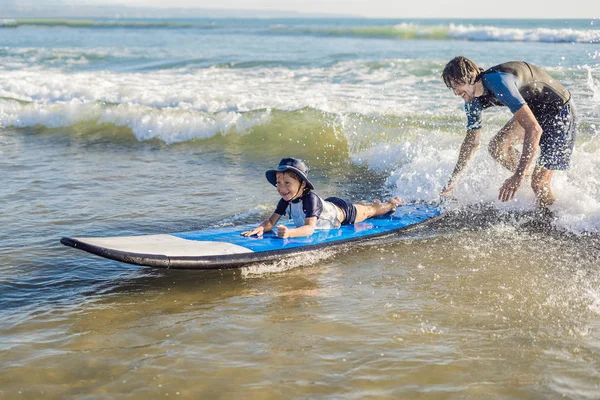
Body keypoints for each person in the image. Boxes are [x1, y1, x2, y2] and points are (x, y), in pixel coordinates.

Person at [440, 56, 577, 209]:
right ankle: (532, 185)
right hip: (534, 110)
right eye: (452, 87)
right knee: (498, 146)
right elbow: (472, 143)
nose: (456, 92)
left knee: (538, 183)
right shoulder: (472, 101)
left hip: (559, 110)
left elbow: (534, 129)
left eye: (458, 84)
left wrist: (518, 174)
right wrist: (453, 181)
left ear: (471, 76)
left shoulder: (498, 82)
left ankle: (555, 220)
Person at [241, 157, 404, 239]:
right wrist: (262, 227)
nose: (281, 188)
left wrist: (290, 233)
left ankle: (391, 203)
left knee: (370, 211)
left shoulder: (310, 199)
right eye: (278, 182)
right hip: (328, 206)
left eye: (287, 183)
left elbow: (309, 228)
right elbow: (271, 221)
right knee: (363, 207)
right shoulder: (285, 200)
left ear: (302, 184)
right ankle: (363, 204)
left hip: (345, 214)